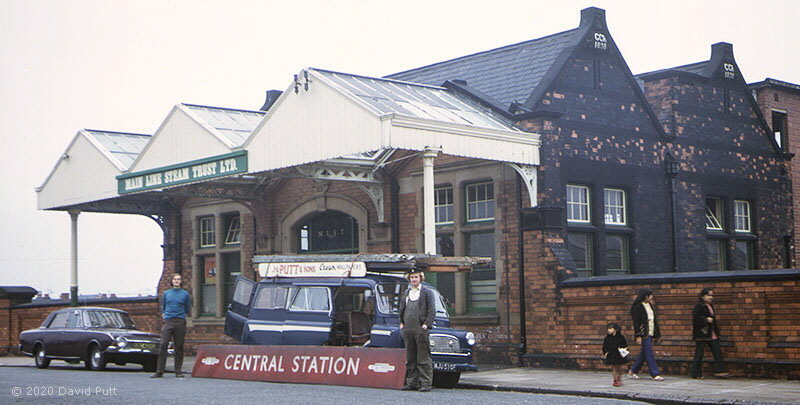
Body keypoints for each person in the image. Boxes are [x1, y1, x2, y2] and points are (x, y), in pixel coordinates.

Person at [398, 264, 436, 392]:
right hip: (408, 329)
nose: (414, 279)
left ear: (420, 278)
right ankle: (411, 383)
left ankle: (425, 383)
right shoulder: (406, 293)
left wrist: (426, 324)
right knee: (410, 358)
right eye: (412, 277)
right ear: (409, 279)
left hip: (421, 329)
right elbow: (401, 308)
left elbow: (431, 310)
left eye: (416, 277)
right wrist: (401, 322)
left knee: (423, 358)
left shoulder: (427, 292)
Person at [151, 273, 191, 378]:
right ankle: (160, 371)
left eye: (179, 279)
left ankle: (178, 371)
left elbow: (187, 308)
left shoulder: (185, 294)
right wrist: (166, 316)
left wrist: (181, 316)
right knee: (163, 344)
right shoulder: (166, 293)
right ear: (172, 281)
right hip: (168, 321)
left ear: (181, 281)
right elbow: (164, 306)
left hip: (180, 321)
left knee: (178, 346)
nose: (177, 281)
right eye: (175, 279)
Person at [690, 288, 730, 379]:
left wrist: (717, 332)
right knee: (699, 354)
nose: (711, 297)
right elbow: (696, 318)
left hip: (711, 333)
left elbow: (714, 320)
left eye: (712, 295)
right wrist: (705, 319)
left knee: (717, 352)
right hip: (702, 334)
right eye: (708, 295)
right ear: (703, 296)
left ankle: (720, 371)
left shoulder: (710, 306)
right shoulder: (699, 306)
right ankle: (695, 373)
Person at [628, 287, 664, 381]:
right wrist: (638, 335)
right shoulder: (637, 307)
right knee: (649, 353)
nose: (652, 297)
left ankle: (633, 370)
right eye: (650, 295)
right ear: (645, 296)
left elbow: (654, 320)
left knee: (644, 353)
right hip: (644, 332)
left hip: (651, 331)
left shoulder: (650, 305)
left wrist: (657, 334)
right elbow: (636, 322)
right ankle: (655, 373)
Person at [602, 322, 629, 387]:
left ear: (615, 329)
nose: (609, 330)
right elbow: (604, 347)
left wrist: (624, 349)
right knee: (614, 368)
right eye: (608, 329)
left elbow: (624, 345)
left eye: (610, 328)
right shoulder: (607, 338)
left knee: (621, 367)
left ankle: (619, 377)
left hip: (619, 354)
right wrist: (605, 353)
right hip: (611, 354)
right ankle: (615, 380)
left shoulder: (621, 337)